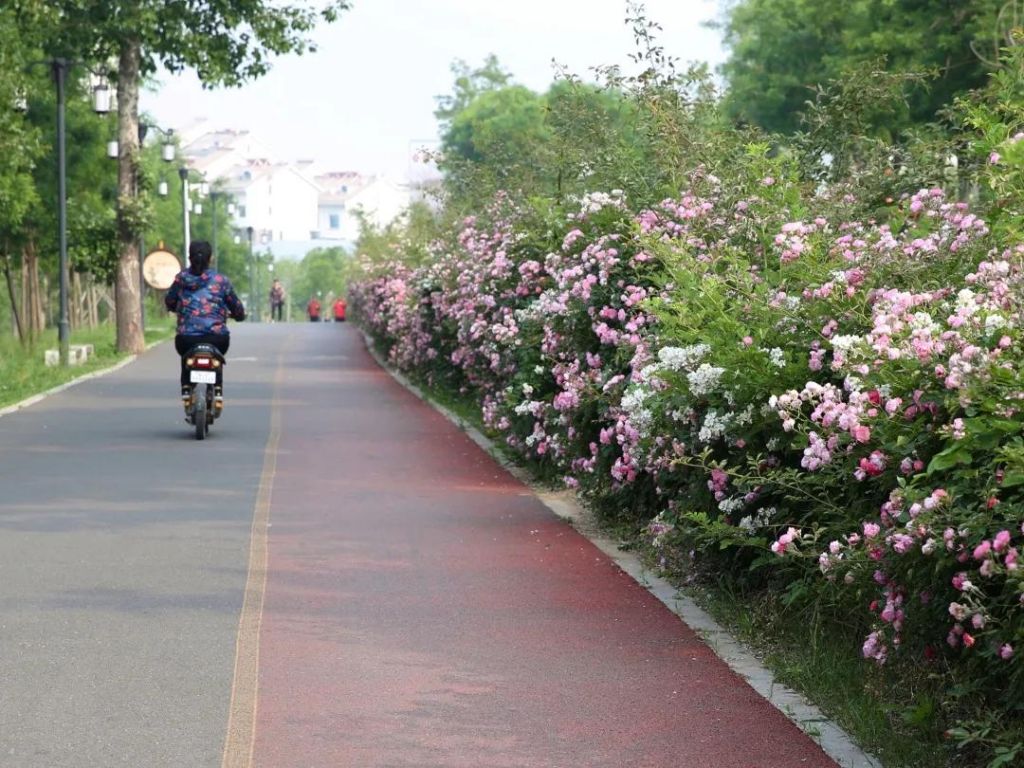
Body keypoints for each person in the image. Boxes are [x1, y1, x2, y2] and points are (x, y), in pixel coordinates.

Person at [165, 241, 245, 405]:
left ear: (189, 257)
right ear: (211, 259)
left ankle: (186, 389)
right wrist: (239, 316)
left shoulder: (181, 279)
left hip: (186, 339)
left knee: (185, 357)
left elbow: (170, 301)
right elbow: (236, 307)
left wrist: (176, 308)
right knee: (218, 357)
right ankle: (218, 390)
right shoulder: (221, 280)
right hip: (217, 338)